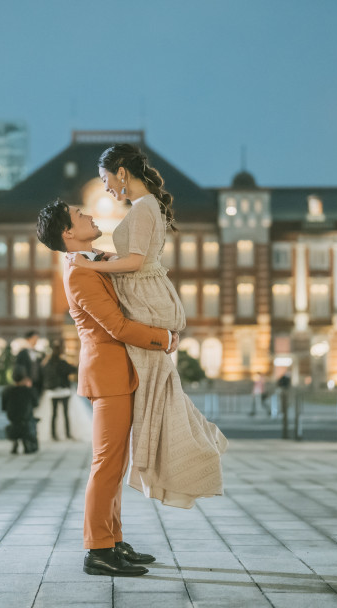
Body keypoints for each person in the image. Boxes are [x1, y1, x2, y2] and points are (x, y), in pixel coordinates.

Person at [68, 144, 228, 509]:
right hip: (149, 295)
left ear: (121, 172)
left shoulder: (142, 208)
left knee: (159, 395)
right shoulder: (147, 206)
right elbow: (133, 258)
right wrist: (103, 257)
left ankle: (196, 450)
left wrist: (90, 265)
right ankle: (191, 448)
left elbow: (136, 261)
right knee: (161, 393)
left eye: (107, 179)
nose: (107, 187)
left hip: (146, 299)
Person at [37, 198, 176, 578]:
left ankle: (112, 540)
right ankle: (97, 549)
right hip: (108, 374)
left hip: (118, 372)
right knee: (106, 464)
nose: (90, 215)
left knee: (115, 464)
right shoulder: (80, 272)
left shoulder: (93, 260)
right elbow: (116, 325)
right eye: (81, 215)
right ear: (68, 233)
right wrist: (163, 337)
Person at [43, 340, 75, 440]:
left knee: (54, 414)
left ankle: (53, 435)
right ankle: (67, 434)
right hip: (63, 390)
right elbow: (73, 370)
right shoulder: (62, 362)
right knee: (65, 414)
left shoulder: (48, 363)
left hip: (53, 391)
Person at [1, 374, 38, 455]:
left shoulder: (7, 390)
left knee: (16, 423)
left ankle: (15, 443)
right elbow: (35, 403)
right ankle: (26, 443)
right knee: (26, 422)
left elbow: (3, 407)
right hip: (25, 416)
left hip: (12, 416)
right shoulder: (28, 390)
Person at [14, 330, 43, 403]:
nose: (36, 341)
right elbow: (19, 367)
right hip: (26, 383)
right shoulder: (22, 353)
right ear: (28, 339)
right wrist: (25, 379)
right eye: (34, 339)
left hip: (38, 383)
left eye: (37, 339)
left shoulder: (38, 353)